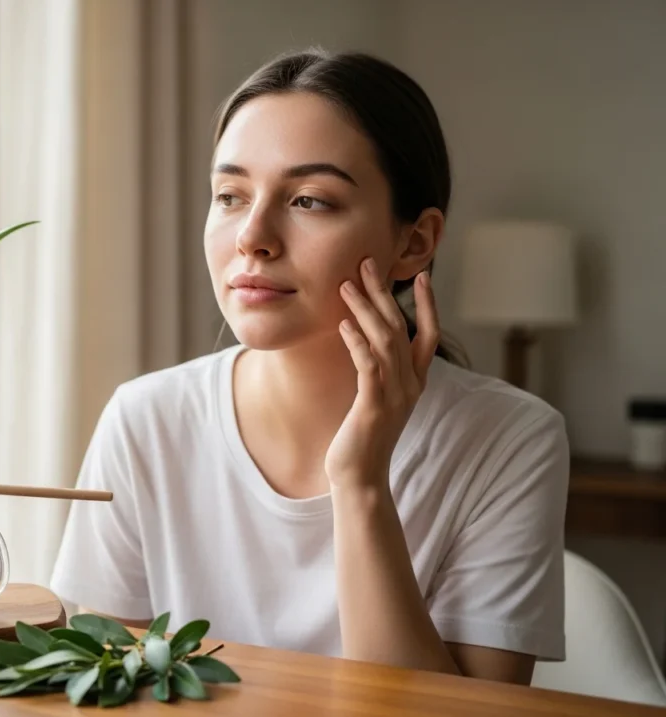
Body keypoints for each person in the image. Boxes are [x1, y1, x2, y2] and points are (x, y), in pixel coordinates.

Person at [49, 49, 569, 685]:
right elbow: (105, 689)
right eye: (230, 195)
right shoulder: (146, 419)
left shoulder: (510, 440)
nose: (253, 236)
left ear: (415, 242)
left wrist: (361, 482)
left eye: (310, 201)